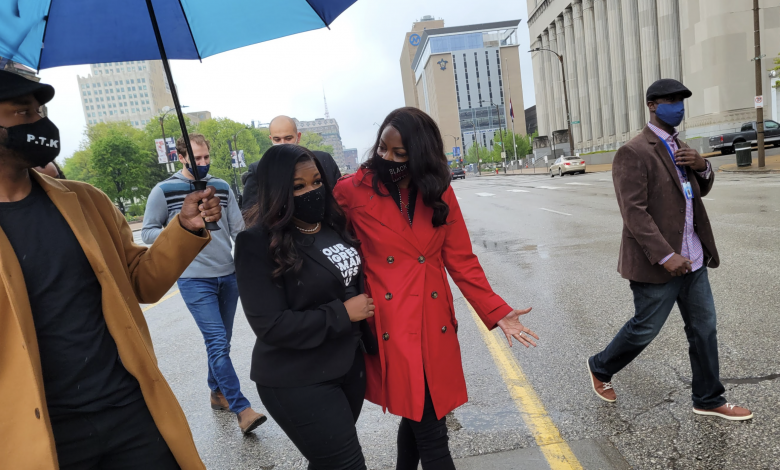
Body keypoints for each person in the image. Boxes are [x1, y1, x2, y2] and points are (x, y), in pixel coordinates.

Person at [0, 70, 222, 469]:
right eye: (23, 113)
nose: (40, 124)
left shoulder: (86, 202)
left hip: (131, 413)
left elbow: (141, 281)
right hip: (44, 436)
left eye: (40, 111)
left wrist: (186, 228)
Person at [333, 107, 539, 470]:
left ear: (420, 156)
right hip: (391, 323)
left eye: (400, 154)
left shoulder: (438, 189)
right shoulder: (352, 190)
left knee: (421, 414)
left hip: (433, 319)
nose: (387, 158)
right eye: (383, 148)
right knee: (432, 431)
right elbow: (322, 243)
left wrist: (497, 311)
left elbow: (461, 259)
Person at [586, 79, 752, 420]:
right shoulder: (633, 152)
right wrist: (665, 255)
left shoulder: (682, 147)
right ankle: (600, 366)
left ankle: (708, 398)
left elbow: (697, 193)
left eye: (682, 101)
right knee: (645, 328)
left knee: (704, 329)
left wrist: (702, 165)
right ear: (652, 105)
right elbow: (634, 212)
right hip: (658, 263)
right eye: (671, 100)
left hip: (693, 257)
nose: (678, 106)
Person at [235, 144, 372, 469]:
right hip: (298, 379)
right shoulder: (256, 243)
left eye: (316, 182)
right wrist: (343, 313)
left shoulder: (332, 226)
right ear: (278, 190)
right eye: (298, 186)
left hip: (347, 366)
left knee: (327, 462)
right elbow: (270, 325)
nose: (311, 191)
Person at [142, 133, 266, 434]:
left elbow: (238, 229)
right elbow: (147, 233)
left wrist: (255, 263)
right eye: (196, 158)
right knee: (216, 341)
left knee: (221, 341)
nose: (203, 163)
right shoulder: (164, 190)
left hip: (228, 273)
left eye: (206, 157)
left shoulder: (221, 187)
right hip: (193, 278)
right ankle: (241, 408)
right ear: (181, 157)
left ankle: (216, 391)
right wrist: (181, 229)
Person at [241, 115, 341, 213]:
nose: (283, 143)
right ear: (271, 139)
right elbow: (250, 214)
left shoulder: (323, 160)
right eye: (277, 139)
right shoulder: (259, 170)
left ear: (298, 137)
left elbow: (340, 201)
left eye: (288, 138)